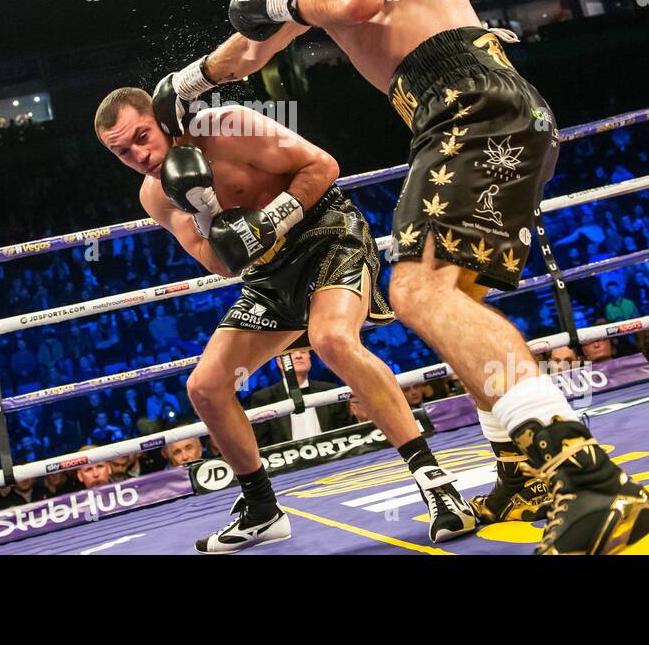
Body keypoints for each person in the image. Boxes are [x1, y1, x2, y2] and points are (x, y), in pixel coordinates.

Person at [150, 0, 649, 553]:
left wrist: (278, 0)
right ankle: (520, 470)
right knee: (453, 297)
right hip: (460, 113)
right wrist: (188, 82)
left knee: (416, 290)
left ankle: (589, 479)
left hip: (471, 100)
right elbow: (251, 50)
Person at [96, 87, 475, 553]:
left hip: (328, 235)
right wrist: (205, 207)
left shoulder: (227, 125)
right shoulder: (156, 194)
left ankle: (437, 485)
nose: (139, 154)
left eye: (141, 136)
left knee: (331, 339)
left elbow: (323, 166)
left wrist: (271, 219)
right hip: (269, 277)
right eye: (122, 152)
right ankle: (261, 509)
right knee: (206, 388)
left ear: (159, 119)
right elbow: (219, 262)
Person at [248, 350, 354, 446]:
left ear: (309, 358)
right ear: (280, 362)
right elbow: (261, 443)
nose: (298, 356)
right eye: (292, 352)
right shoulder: (264, 398)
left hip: (332, 457)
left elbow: (346, 431)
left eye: (303, 352)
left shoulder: (329, 390)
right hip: (287, 462)